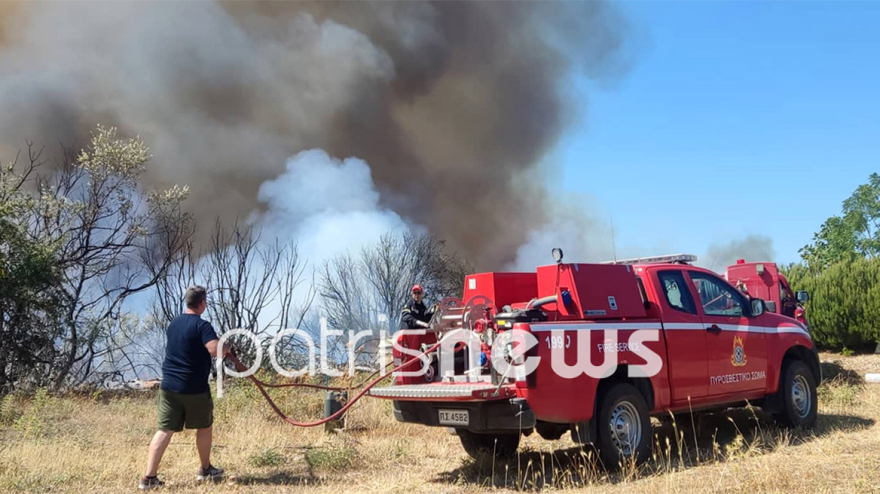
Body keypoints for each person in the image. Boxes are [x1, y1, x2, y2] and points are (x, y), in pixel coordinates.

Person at [139, 286, 230, 490]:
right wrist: (227, 346)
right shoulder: (202, 325)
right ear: (203, 304)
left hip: (169, 386)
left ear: (187, 302)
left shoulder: (174, 324)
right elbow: (215, 350)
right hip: (194, 388)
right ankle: (205, 469)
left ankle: (148, 477)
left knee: (164, 430)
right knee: (204, 426)